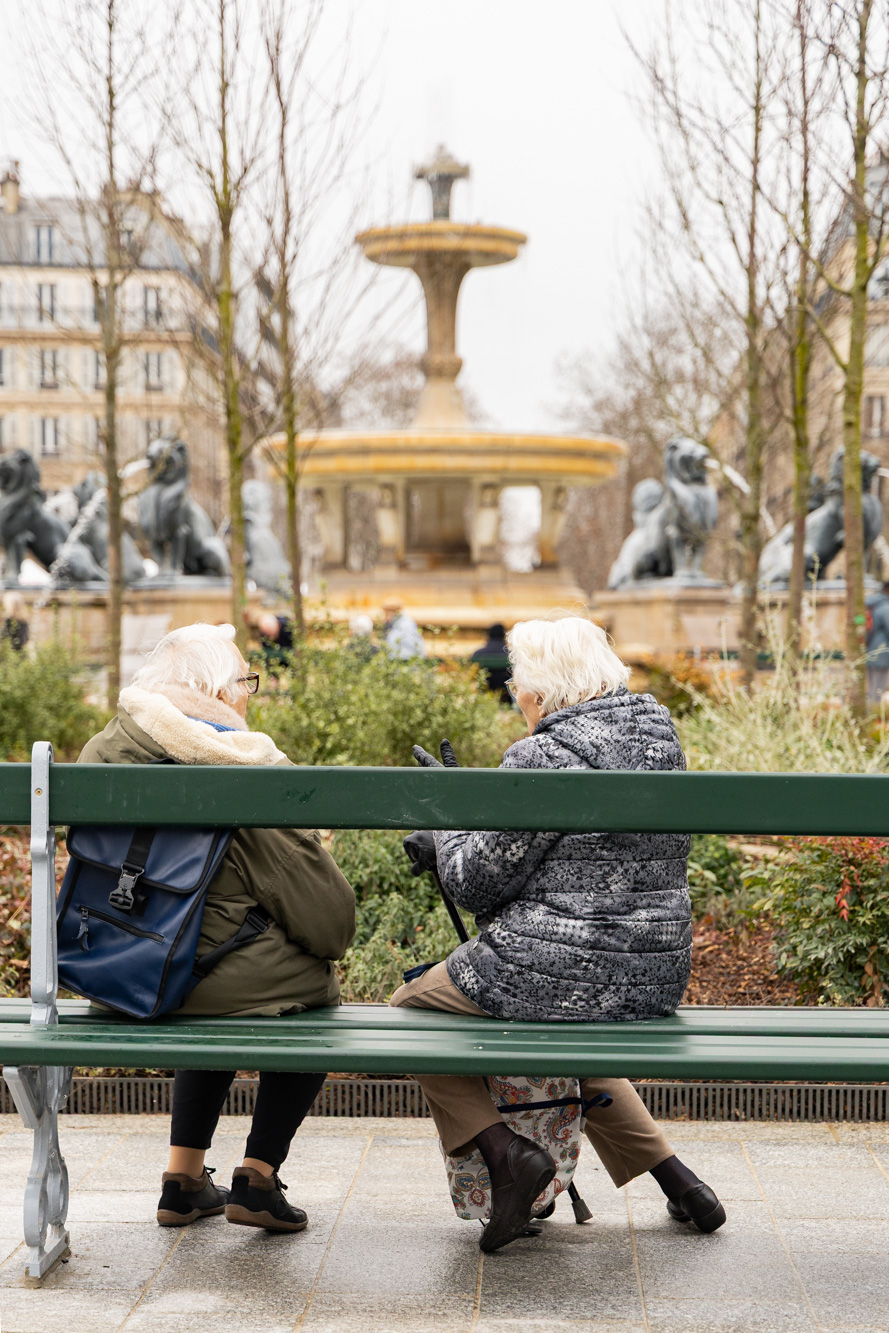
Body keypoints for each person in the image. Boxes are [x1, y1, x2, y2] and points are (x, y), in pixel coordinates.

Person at [390, 614, 724, 1254]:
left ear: (541, 693)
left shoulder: (542, 753)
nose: (516, 696)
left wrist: (443, 839)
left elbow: (478, 884)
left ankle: (507, 1154)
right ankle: (678, 1180)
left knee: (411, 1013)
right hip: (652, 973)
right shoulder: (660, 741)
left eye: (518, 684)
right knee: (570, 1024)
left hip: (554, 966)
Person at [78, 623, 355, 1234]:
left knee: (207, 955)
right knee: (307, 987)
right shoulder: (238, 770)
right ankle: (257, 1176)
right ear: (219, 694)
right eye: (245, 682)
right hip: (192, 980)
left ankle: (182, 1177)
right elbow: (331, 923)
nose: (250, 696)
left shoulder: (104, 751)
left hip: (116, 965)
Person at [244, 604, 294, 670]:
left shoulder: (288, 628)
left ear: (277, 626)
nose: (269, 636)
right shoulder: (264, 636)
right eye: (266, 633)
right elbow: (267, 655)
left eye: (270, 632)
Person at [470, 622, 510, 702]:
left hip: (484, 696)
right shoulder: (510, 654)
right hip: (506, 697)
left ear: (488, 635)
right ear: (504, 636)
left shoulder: (478, 654)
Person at [866, 582, 889, 703]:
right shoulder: (885, 607)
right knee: (878, 688)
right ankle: (873, 713)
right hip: (882, 652)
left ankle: (870, 710)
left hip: (870, 650)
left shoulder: (872, 604)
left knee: (872, 687)